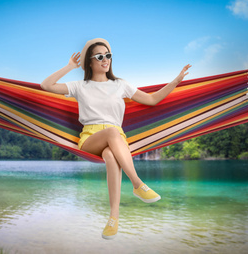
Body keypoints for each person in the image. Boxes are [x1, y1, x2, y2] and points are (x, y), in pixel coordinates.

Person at [41, 38, 191, 240]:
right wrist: (69, 66)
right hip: (90, 138)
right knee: (112, 132)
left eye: (108, 55)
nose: (105, 59)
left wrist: (175, 81)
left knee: (112, 157)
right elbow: (45, 85)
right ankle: (137, 184)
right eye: (100, 56)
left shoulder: (121, 85)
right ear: (90, 63)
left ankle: (114, 218)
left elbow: (152, 99)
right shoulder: (79, 86)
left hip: (117, 140)